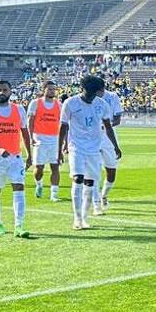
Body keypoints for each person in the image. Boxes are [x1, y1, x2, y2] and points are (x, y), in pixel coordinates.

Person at [59, 75, 120, 231]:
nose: (92, 96)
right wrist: (60, 149)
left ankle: (84, 218)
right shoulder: (70, 103)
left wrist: (115, 146)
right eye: (90, 92)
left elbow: (108, 126)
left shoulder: (102, 104)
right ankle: (77, 218)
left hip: (94, 148)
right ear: (84, 89)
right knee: (78, 179)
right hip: (76, 147)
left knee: (89, 183)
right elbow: (63, 127)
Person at [0, 79, 34, 238]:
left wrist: (29, 154)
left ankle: (19, 225)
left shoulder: (19, 109)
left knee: (19, 188)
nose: (1, 93)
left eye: (4, 90)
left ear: (10, 92)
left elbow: (24, 132)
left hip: (15, 157)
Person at [92, 80, 124, 214]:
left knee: (111, 172)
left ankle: (103, 195)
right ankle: (96, 204)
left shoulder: (112, 97)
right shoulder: (89, 98)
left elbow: (117, 118)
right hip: (92, 138)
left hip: (109, 137)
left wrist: (107, 126)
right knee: (94, 172)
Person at [27, 81, 63, 201]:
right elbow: (30, 122)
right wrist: (31, 137)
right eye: (50, 89)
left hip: (54, 139)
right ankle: (39, 184)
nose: (52, 91)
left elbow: (62, 124)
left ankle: (54, 194)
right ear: (44, 90)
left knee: (55, 167)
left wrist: (63, 142)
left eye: (54, 89)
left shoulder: (59, 105)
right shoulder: (35, 103)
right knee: (39, 169)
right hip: (39, 139)